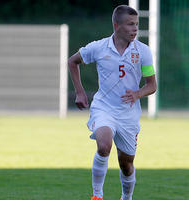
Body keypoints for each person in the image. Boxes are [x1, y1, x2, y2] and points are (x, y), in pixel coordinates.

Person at [68, 5, 157, 200]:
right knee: (104, 145)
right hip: (104, 108)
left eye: (136, 25)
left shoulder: (143, 52)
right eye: (130, 24)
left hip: (128, 114)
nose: (135, 29)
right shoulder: (98, 47)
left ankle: (126, 197)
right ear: (117, 26)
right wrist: (80, 92)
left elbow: (152, 85)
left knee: (126, 164)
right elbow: (72, 61)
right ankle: (97, 195)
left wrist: (137, 94)